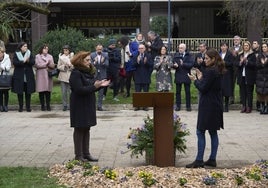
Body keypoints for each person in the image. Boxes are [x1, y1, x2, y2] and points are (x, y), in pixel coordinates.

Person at [186, 48, 225, 168]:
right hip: (215, 104)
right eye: (204, 58)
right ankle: (212, 159)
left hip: (208, 105)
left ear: (213, 59)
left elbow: (203, 88)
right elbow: (209, 85)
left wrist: (195, 80)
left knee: (200, 131)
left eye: (207, 58)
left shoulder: (211, 71)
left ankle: (199, 160)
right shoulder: (217, 70)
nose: (204, 60)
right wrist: (201, 77)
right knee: (213, 131)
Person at [69, 51, 110, 162]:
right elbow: (79, 90)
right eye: (87, 60)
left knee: (87, 127)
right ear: (80, 61)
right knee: (79, 128)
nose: (89, 62)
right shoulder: (76, 73)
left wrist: (100, 85)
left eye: (89, 60)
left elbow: (91, 87)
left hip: (88, 102)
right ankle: (78, 155)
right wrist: (94, 86)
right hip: (79, 104)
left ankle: (86, 153)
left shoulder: (88, 72)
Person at [12, 42, 35, 112]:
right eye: (24, 46)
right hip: (19, 76)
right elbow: (15, 63)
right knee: (20, 92)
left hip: (28, 75)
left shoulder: (29, 53)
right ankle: (21, 107)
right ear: (21, 47)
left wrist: (28, 61)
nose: (26, 47)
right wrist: (22, 62)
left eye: (26, 46)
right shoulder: (17, 54)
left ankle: (28, 107)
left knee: (28, 92)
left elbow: (33, 62)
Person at [235, 41, 256, 113]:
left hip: (249, 76)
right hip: (242, 76)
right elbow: (236, 63)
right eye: (244, 46)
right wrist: (240, 62)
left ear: (249, 46)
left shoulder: (252, 54)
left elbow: (254, 65)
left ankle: (249, 107)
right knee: (242, 92)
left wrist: (247, 61)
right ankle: (244, 106)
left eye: (247, 45)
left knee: (249, 92)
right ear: (243, 47)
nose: (246, 47)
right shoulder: (240, 54)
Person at [173, 43, 194, 111]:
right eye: (179, 48)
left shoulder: (189, 55)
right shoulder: (176, 55)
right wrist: (175, 66)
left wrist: (183, 64)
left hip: (186, 75)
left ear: (185, 48)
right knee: (178, 92)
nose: (180, 49)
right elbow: (173, 64)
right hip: (178, 75)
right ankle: (178, 106)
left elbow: (191, 65)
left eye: (181, 48)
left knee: (187, 92)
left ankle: (188, 106)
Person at [133, 44, 153, 111]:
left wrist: (146, 62)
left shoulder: (148, 55)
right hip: (138, 76)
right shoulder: (135, 56)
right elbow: (133, 65)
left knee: (145, 92)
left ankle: (145, 106)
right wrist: (137, 62)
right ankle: (137, 106)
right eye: (139, 48)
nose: (141, 49)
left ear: (144, 49)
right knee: (137, 92)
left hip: (146, 76)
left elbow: (151, 66)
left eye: (142, 48)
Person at [35, 44, 55, 111]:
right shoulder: (37, 56)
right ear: (41, 49)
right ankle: (42, 105)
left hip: (48, 75)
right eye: (45, 48)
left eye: (47, 49)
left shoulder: (50, 56)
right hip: (41, 75)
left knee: (48, 91)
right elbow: (37, 65)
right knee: (41, 91)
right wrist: (46, 63)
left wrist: (49, 65)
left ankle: (48, 105)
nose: (46, 50)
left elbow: (52, 65)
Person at [90, 44, 109, 111]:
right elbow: (90, 65)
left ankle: (99, 106)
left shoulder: (105, 55)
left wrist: (102, 62)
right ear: (96, 48)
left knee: (101, 92)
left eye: (101, 49)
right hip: (94, 75)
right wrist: (95, 62)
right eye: (98, 49)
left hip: (102, 75)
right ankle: (92, 106)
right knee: (93, 91)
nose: (99, 50)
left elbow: (107, 65)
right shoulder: (92, 55)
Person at [57, 45, 74, 111]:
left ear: (69, 50)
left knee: (70, 92)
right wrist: (64, 66)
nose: (65, 51)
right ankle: (64, 105)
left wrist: (70, 66)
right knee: (63, 92)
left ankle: (70, 105)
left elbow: (75, 66)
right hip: (63, 76)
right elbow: (58, 66)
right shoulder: (61, 57)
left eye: (66, 50)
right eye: (64, 50)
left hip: (70, 76)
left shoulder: (72, 56)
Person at [219, 41, 234, 112]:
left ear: (227, 47)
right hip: (220, 74)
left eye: (224, 46)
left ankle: (226, 106)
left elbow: (231, 63)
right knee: (220, 89)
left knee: (226, 90)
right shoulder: (219, 54)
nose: (223, 47)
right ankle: (221, 105)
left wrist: (224, 63)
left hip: (227, 74)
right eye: (222, 46)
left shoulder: (229, 54)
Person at [229, 35, 243, 104]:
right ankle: (231, 99)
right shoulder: (230, 49)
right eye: (235, 40)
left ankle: (241, 98)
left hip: (240, 69)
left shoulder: (243, 48)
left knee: (241, 84)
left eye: (237, 40)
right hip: (232, 69)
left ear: (240, 40)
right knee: (232, 84)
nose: (236, 41)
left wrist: (238, 54)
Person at [256, 42, 268, 114]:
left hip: (267, 76)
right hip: (260, 76)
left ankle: (267, 107)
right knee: (261, 92)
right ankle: (262, 106)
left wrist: (265, 63)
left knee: (267, 92)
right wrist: (262, 64)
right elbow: (257, 65)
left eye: (265, 47)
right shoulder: (259, 56)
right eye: (263, 47)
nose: (264, 48)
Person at [0, 47, 11, 112]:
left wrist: (2, 67)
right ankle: (1, 105)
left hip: (5, 77)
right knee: (0, 92)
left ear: (3, 52)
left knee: (6, 92)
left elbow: (8, 68)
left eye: (0, 53)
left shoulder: (7, 58)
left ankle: (6, 105)